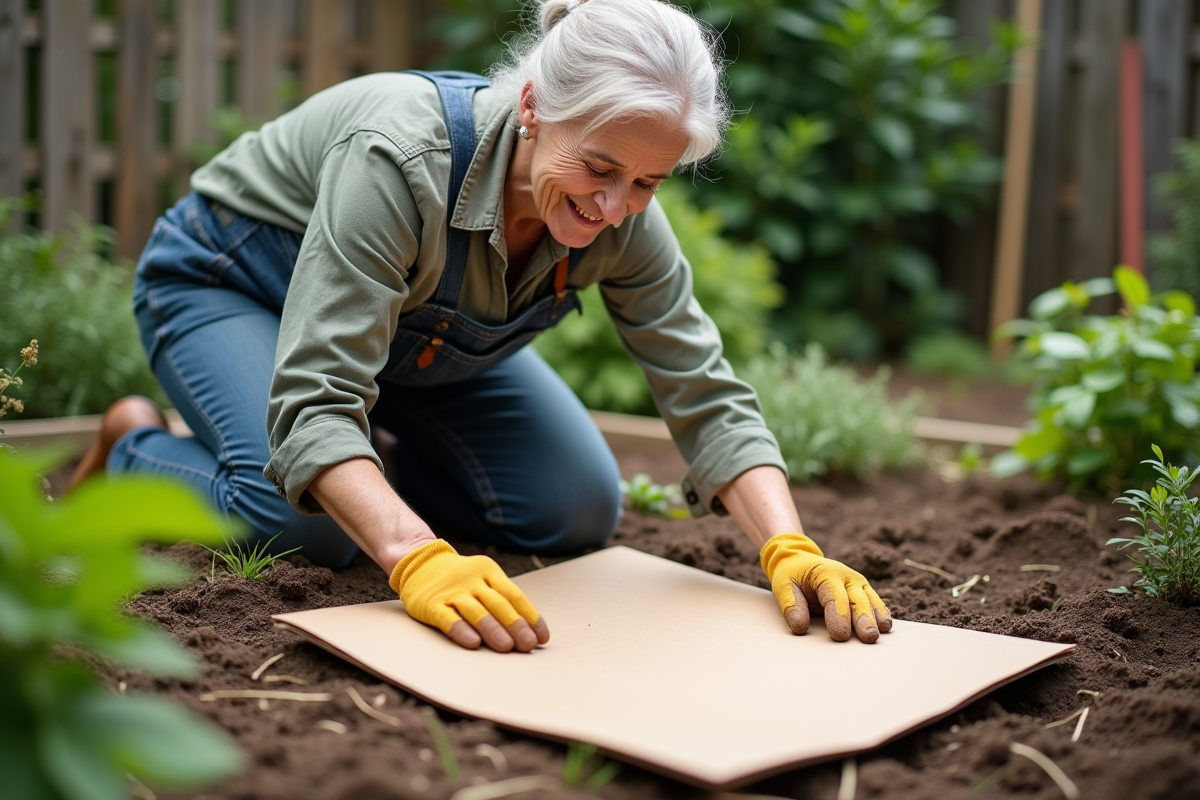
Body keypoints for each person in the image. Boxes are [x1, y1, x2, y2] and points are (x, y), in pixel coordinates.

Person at [72, 0, 892, 653]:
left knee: (570, 508)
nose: (614, 209)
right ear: (534, 106)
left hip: (402, 338)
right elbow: (317, 394)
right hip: (237, 283)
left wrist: (791, 547)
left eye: (648, 182)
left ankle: (365, 476)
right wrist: (413, 556)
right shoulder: (401, 156)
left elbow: (705, 391)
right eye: (601, 168)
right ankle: (134, 451)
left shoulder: (624, 223)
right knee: (296, 523)